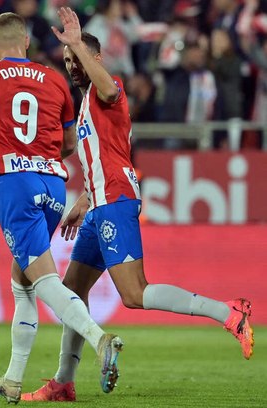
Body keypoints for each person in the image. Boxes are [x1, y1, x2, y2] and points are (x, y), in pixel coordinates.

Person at [20, 7, 254, 402]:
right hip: (99, 203)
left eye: (76, 58)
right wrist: (83, 199)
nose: (70, 65)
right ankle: (63, 382)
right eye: (66, 61)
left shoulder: (107, 89)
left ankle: (228, 312)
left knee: (134, 294)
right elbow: (104, 158)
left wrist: (78, 41)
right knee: (73, 291)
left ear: (94, 58)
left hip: (115, 202)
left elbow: (110, 91)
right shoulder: (84, 107)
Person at [0, 11, 123, 404]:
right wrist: (40, 155)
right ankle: (13, 379)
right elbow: (69, 143)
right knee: (21, 280)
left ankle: (98, 338)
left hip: (13, 184)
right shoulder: (55, 79)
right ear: (26, 42)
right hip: (54, 185)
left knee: (42, 278)